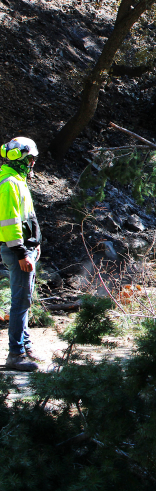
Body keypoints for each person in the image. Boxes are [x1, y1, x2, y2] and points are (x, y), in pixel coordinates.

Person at [0, 137, 41, 371]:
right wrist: (21, 252)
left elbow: (29, 218)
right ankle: (15, 354)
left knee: (24, 301)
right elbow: (10, 222)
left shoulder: (18, 180)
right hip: (19, 252)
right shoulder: (9, 184)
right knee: (20, 303)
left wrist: (36, 244)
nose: (33, 162)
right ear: (21, 158)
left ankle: (25, 347)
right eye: (31, 158)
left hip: (27, 250)